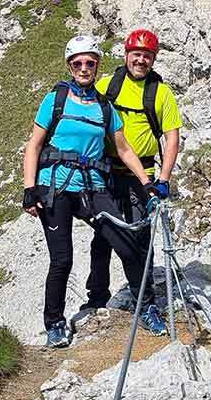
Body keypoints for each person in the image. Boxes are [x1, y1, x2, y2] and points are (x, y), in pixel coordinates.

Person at [22, 35, 167, 347]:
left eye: (90, 62)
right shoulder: (55, 99)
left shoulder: (104, 106)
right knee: (62, 260)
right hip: (56, 187)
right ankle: (55, 325)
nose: (84, 68)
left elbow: (124, 149)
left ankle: (147, 306)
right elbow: (33, 145)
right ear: (70, 67)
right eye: (78, 63)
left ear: (97, 66)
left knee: (128, 246)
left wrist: (147, 183)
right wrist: (29, 189)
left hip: (92, 188)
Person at [83, 28, 182, 332]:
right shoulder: (106, 85)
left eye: (147, 56)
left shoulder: (161, 94)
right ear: (126, 55)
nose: (141, 60)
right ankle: (97, 296)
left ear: (153, 60)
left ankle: (147, 304)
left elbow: (172, 137)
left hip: (144, 176)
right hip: (106, 172)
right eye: (136, 54)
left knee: (141, 239)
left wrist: (163, 180)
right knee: (103, 235)